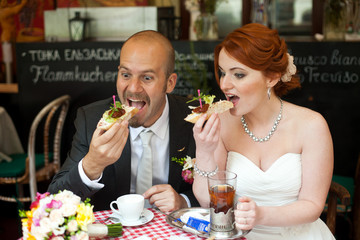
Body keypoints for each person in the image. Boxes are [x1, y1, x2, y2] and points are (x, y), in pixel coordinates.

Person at [192, 23, 335, 239]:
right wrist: (203, 151)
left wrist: (262, 215)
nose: (224, 84)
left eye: (238, 75)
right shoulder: (222, 123)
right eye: (223, 73)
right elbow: (206, 200)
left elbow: (313, 206)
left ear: (272, 77)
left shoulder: (312, 126)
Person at [48, 30, 198, 212]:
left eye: (147, 77)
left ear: (170, 83)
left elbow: (221, 191)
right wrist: (92, 164)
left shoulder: (196, 119)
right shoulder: (92, 119)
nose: (133, 88)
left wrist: (184, 202)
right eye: (126, 75)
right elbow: (54, 202)